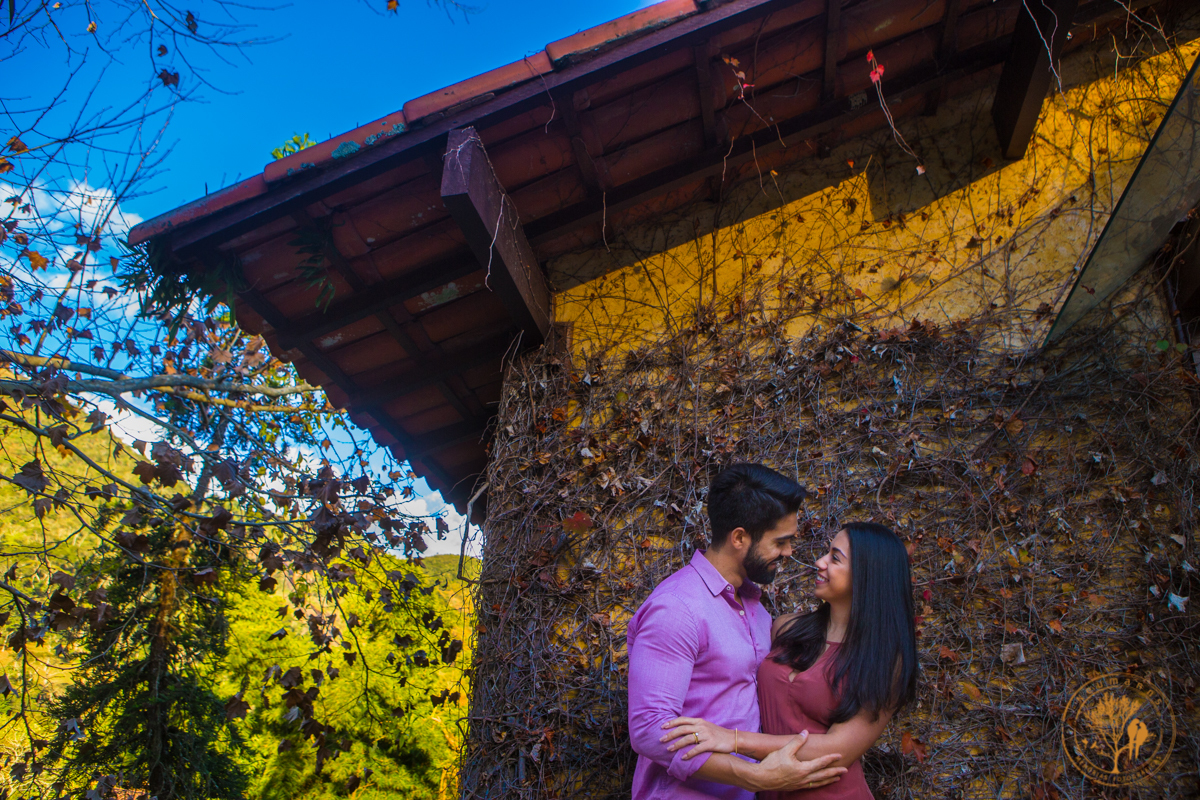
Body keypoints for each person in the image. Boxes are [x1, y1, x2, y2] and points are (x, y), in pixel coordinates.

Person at [626, 463, 848, 800]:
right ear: (740, 538)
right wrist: (757, 777)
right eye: (781, 541)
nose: (789, 552)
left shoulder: (754, 608)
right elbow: (648, 730)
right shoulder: (677, 608)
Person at [659, 522, 920, 799]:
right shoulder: (785, 629)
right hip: (769, 788)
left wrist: (731, 739)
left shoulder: (884, 661)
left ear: (868, 575)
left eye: (835, 558)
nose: (819, 562)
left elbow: (837, 751)